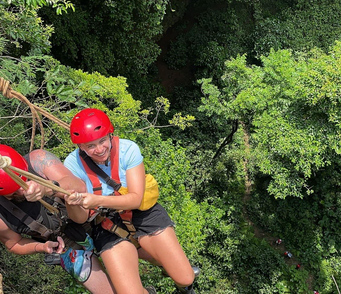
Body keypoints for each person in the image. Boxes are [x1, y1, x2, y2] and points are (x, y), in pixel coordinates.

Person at [64, 108, 196, 294]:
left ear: (110, 135)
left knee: (185, 277)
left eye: (102, 141)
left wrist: (96, 199)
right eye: (90, 146)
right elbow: (79, 219)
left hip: (142, 213)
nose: (99, 149)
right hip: (105, 224)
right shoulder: (71, 165)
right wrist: (72, 202)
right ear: (81, 147)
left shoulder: (128, 149)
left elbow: (135, 199)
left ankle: (180, 281)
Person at [0, 145, 115, 294]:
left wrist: (45, 188)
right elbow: (14, 244)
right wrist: (42, 247)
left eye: (21, 182)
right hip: (66, 246)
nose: (22, 190)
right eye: (13, 192)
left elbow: (79, 186)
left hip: (93, 218)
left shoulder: (37, 160)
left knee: (129, 288)